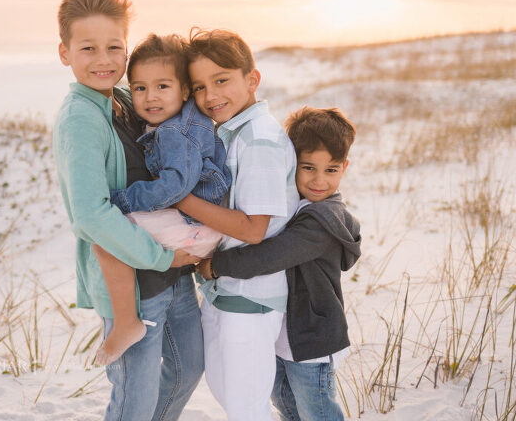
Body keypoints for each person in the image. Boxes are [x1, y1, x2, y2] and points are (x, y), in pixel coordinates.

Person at [52, 0, 201, 421]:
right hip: (136, 281)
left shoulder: (122, 99)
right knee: (133, 399)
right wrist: (162, 257)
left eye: (114, 47)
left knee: (189, 367)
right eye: (88, 49)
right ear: (65, 53)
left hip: (172, 273)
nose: (103, 60)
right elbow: (91, 215)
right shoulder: (79, 118)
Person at [197, 107, 361, 421]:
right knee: (289, 409)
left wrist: (218, 265)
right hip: (286, 337)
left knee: (318, 412)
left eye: (331, 170)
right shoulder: (297, 207)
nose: (318, 180)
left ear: (345, 168)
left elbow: (272, 255)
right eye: (308, 167)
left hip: (312, 341)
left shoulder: (322, 220)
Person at [174, 28, 300, 420]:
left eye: (222, 80)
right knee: (230, 395)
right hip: (224, 290)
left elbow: (252, 228)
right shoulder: (233, 133)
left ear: (252, 79)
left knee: (246, 408)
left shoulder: (259, 139)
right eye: (199, 87)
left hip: (251, 297)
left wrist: (178, 197)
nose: (210, 96)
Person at [93, 33, 232, 366]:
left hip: (198, 225)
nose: (149, 97)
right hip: (202, 223)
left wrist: (123, 200)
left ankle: (126, 322)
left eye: (162, 87)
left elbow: (175, 187)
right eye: (139, 88)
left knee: (109, 233)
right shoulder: (184, 119)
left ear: (184, 90)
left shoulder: (173, 133)